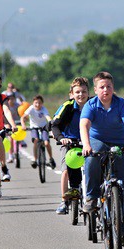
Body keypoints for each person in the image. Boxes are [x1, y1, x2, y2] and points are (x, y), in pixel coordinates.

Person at [80, 71, 124, 248]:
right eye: (102, 87)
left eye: (109, 86)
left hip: (118, 142)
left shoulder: (121, 104)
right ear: (95, 89)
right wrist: (86, 145)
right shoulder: (91, 105)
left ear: (113, 88)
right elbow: (84, 125)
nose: (105, 90)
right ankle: (92, 197)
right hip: (97, 141)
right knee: (94, 154)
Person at [50, 77, 90, 214]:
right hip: (70, 142)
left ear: (88, 92)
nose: (81, 95)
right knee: (66, 170)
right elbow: (54, 125)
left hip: (89, 142)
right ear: (72, 94)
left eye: (84, 91)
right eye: (77, 92)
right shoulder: (67, 106)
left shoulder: (93, 105)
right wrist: (62, 138)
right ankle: (64, 201)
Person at [21, 95, 56, 170]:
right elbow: (23, 117)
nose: (37, 105)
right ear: (33, 103)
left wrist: (51, 123)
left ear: (42, 103)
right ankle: (35, 159)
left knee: (46, 143)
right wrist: (23, 125)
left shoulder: (44, 109)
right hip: (34, 127)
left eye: (39, 103)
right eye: (36, 103)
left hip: (43, 127)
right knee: (36, 141)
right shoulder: (31, 108)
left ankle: (51, 158)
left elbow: (48, 117)